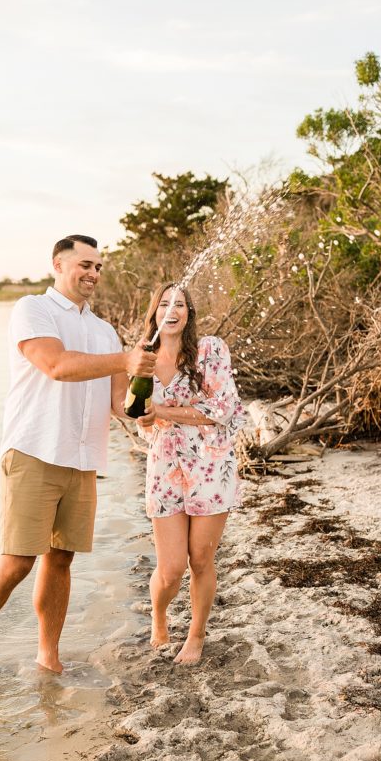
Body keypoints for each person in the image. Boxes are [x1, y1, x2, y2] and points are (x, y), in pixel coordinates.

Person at [0, 234, 156, 697]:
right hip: (33, 450)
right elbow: (57, 366)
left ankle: (49, 656)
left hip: (82, 458)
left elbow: (121, 405)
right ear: (58, 265)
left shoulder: (104, 331)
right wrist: (124, 357)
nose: (94, 274)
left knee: (60, 560)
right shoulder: (31, 309)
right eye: (85, 264)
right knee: (17, 561)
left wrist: (149, 395)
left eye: (99, 267)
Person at [134, 282, 245, 665]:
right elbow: (142, 423)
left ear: (189, 314)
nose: (172, 309)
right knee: (170, 569)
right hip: (165, 467)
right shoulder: (142, 360)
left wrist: (163, 414)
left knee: (200, 559)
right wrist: (144, 414)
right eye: (164, 303)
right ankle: (159, 614)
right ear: (154, 314)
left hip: (211, 464)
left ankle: (195, 635)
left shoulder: (210, 350)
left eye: (180, 304)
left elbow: (223, 407)